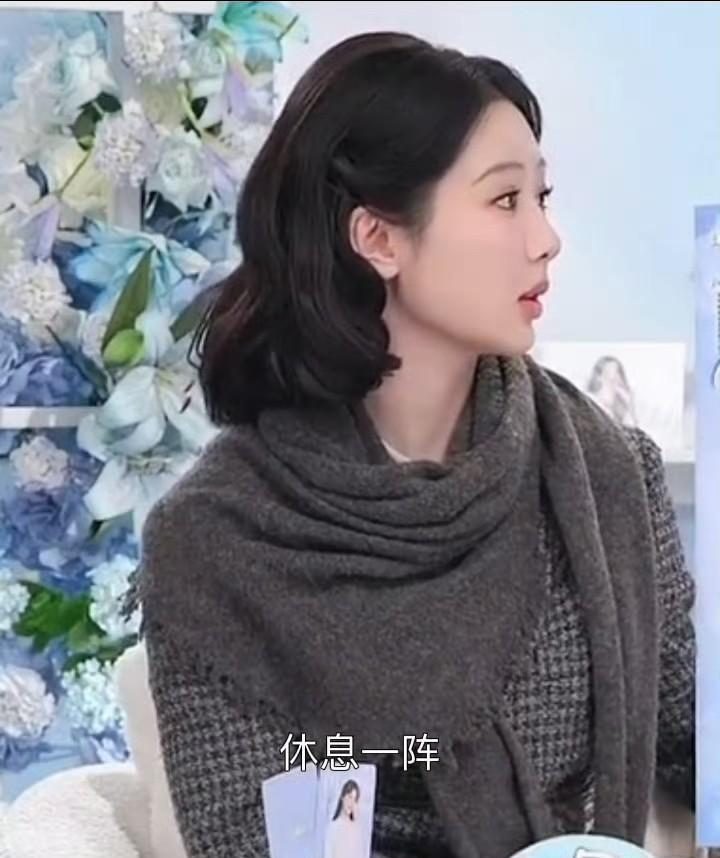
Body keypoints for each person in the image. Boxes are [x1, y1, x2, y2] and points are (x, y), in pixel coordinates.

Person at [132, 31, 695, 858]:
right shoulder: (218, 544)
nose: (546, 238)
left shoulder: (610, 477)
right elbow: (255, 836)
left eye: (543, 198)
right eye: (506, 201)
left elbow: (693, 744)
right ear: (378, 239)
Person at [585, 356, 638, 428]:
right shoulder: (591, 401)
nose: (614, 377)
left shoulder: (619, 409)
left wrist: (629, 405)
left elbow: (631, 429)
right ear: (599, 377)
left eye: (617, 372)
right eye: (608, 372)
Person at [324, 780, 364, 858]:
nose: (351, 803)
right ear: (342, 797)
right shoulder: (333, 827)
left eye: (355, 800)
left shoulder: (356, 829)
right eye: (350, 797)